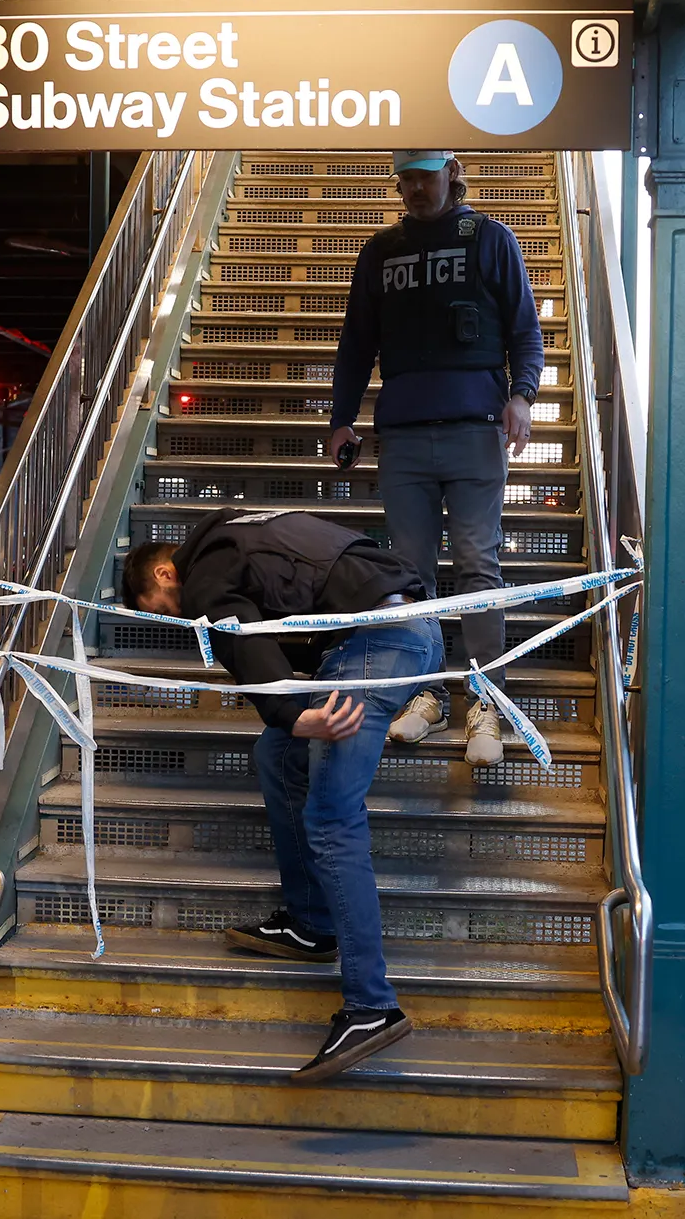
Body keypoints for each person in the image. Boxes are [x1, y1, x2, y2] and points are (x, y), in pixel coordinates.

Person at [121, 508, 442, 1081]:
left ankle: (372, 1007)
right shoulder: (243, 535)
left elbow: (231, 623)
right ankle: (311, 923)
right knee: (275, 753)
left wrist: (294, 713)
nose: (176, 617)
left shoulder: (206, 565)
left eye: (163, 607)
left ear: (166, 576)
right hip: (393, 632)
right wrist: (288, 719)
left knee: (330, 818)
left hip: (378, 642)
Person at [329, 150, 544, 767]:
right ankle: (425, 693)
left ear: (451, 170)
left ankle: (486, 702)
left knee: (478, 566)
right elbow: (356, 343)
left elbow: (526, 331)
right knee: (411, 577)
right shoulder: (381, 250)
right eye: (403, 177)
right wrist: (342, 418)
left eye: (423, 175)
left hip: (475, 428)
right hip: (402, 435)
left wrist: (522, 397)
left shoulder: (490, 239)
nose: (412, 188)